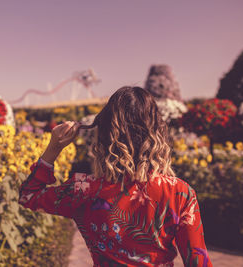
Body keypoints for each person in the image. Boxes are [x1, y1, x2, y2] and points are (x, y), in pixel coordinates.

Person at [19, 86, 212, 267]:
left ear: (104, 135)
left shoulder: (83, 189)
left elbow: (28, 196)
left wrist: (54, 147)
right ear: (157, 132)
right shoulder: (180, 193)